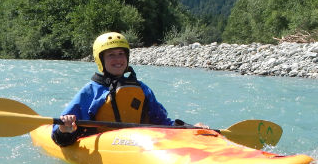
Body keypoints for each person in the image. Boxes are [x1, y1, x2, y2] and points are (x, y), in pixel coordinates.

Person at [52, 32, 206, 147]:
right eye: (111, 55)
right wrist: (64, 128)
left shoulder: (141, 89)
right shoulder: (91, 91)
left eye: (121, 54)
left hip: (139, 146)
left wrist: (189, 128)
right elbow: (59, 133)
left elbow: (162, 122)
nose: (118, 59)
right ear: (101, 60)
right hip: (105, 146)